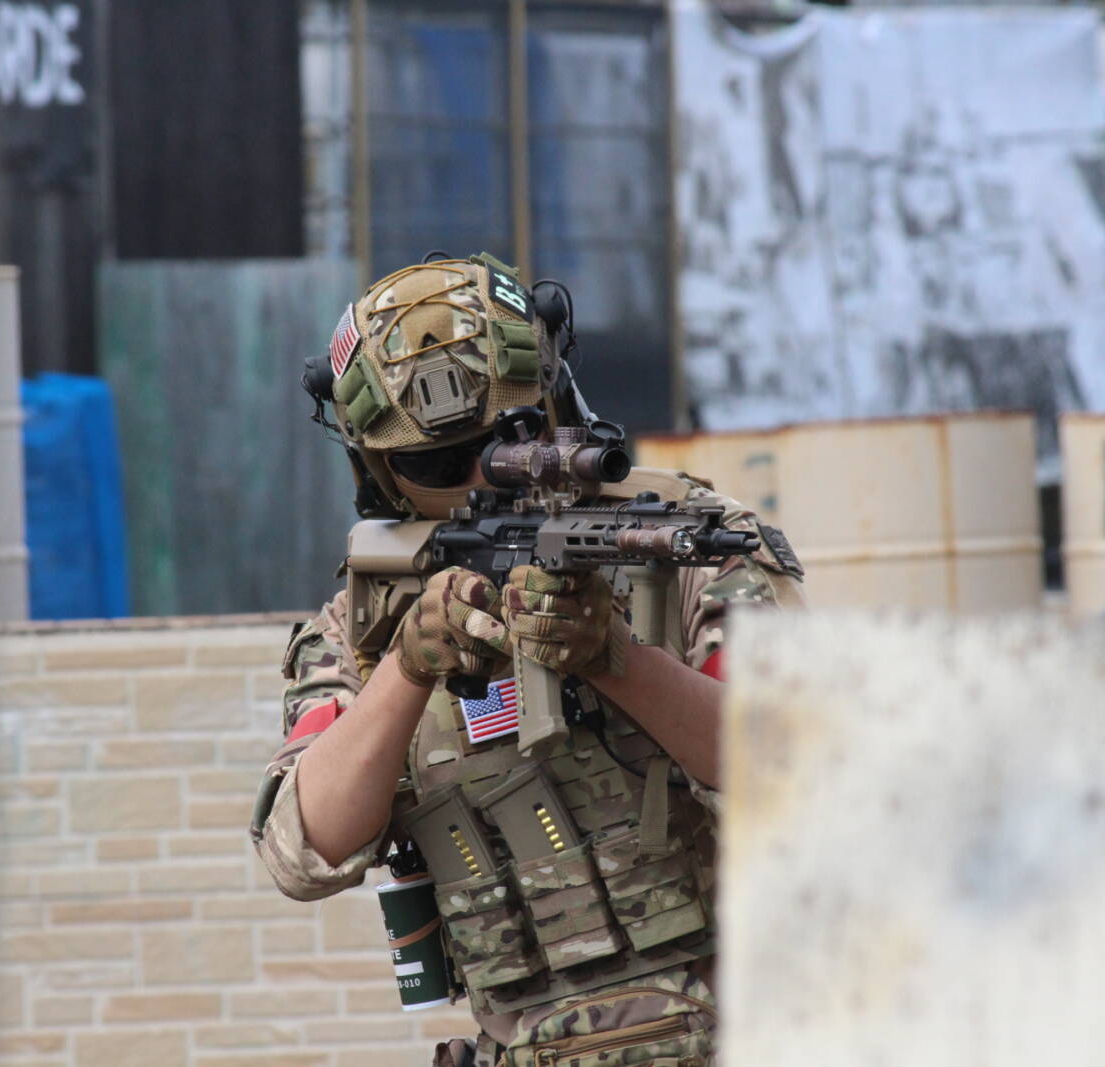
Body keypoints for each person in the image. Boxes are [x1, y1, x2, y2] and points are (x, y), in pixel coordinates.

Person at [250, 253, 805, 1067]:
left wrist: (614, 659)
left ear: (552, 404)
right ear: (379, 467)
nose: (486, 472)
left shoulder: (685, 539)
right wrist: (409, 666)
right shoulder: (366, 620)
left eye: (508, 436)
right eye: (440, 464)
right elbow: (306, 849)